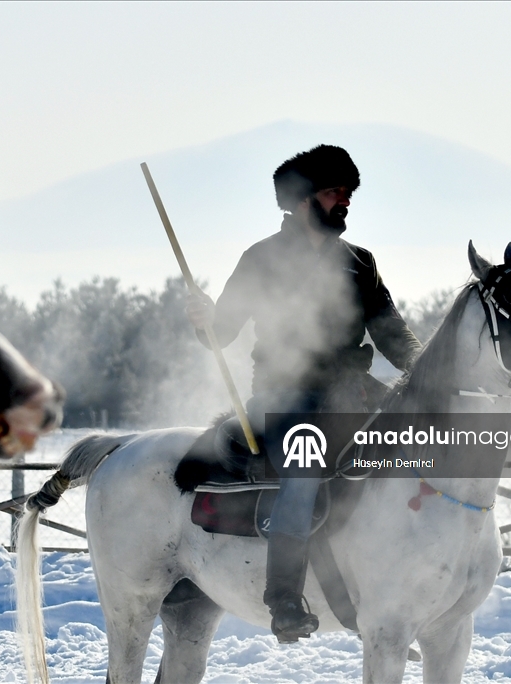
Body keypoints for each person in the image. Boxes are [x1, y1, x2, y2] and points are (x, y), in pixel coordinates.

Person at [186, 144, 421, 642]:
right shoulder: (261, 258)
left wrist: (425, 369)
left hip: (353, 392)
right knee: (305, 467)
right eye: (336, 192)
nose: (346, 202)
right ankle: (285, 598)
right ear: (300, 199)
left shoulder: (361, 262)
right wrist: (205, 319)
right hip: (284, 397)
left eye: (349, 193)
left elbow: (392, 333)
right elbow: (222, 331)